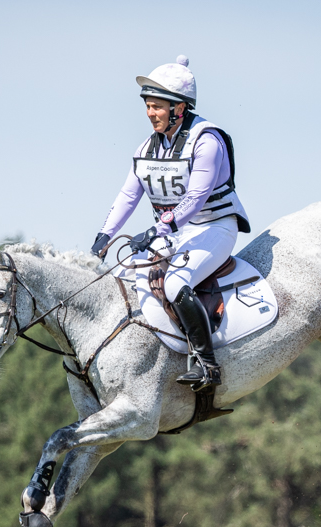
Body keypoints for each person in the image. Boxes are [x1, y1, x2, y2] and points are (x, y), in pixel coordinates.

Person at [90, 56, 250, 392]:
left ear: (179, 107)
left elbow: (195, 198)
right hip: (174, 231)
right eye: (148, 106)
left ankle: (208, 366)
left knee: (176, 284)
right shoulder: (148, 146)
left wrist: (157, 229)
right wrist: (104, 237)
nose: (150, 114)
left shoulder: (207, 141)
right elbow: (128, 195)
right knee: (120, 276)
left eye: (157, 107)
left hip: (215, 226)